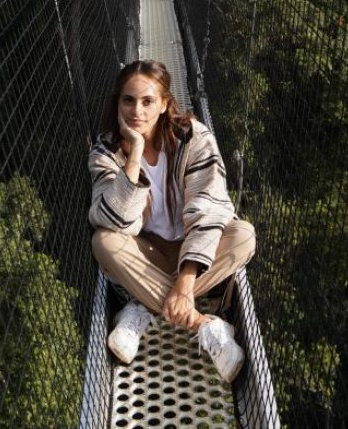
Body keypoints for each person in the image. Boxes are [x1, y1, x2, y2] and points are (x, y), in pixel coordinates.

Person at [88, 59, 256, 383]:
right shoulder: (106, 151)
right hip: (145, 250)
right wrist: (134, 154)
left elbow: (210, 209)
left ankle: (143, 306)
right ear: (118, 102)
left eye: (148, 101)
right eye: (129, 100)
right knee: (104, 242)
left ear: (164, 104)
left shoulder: (193, 137)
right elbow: (115, 220)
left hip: (193, 252)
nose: (137, 110)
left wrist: (184, 282)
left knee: (244, 236)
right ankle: (203, 325)